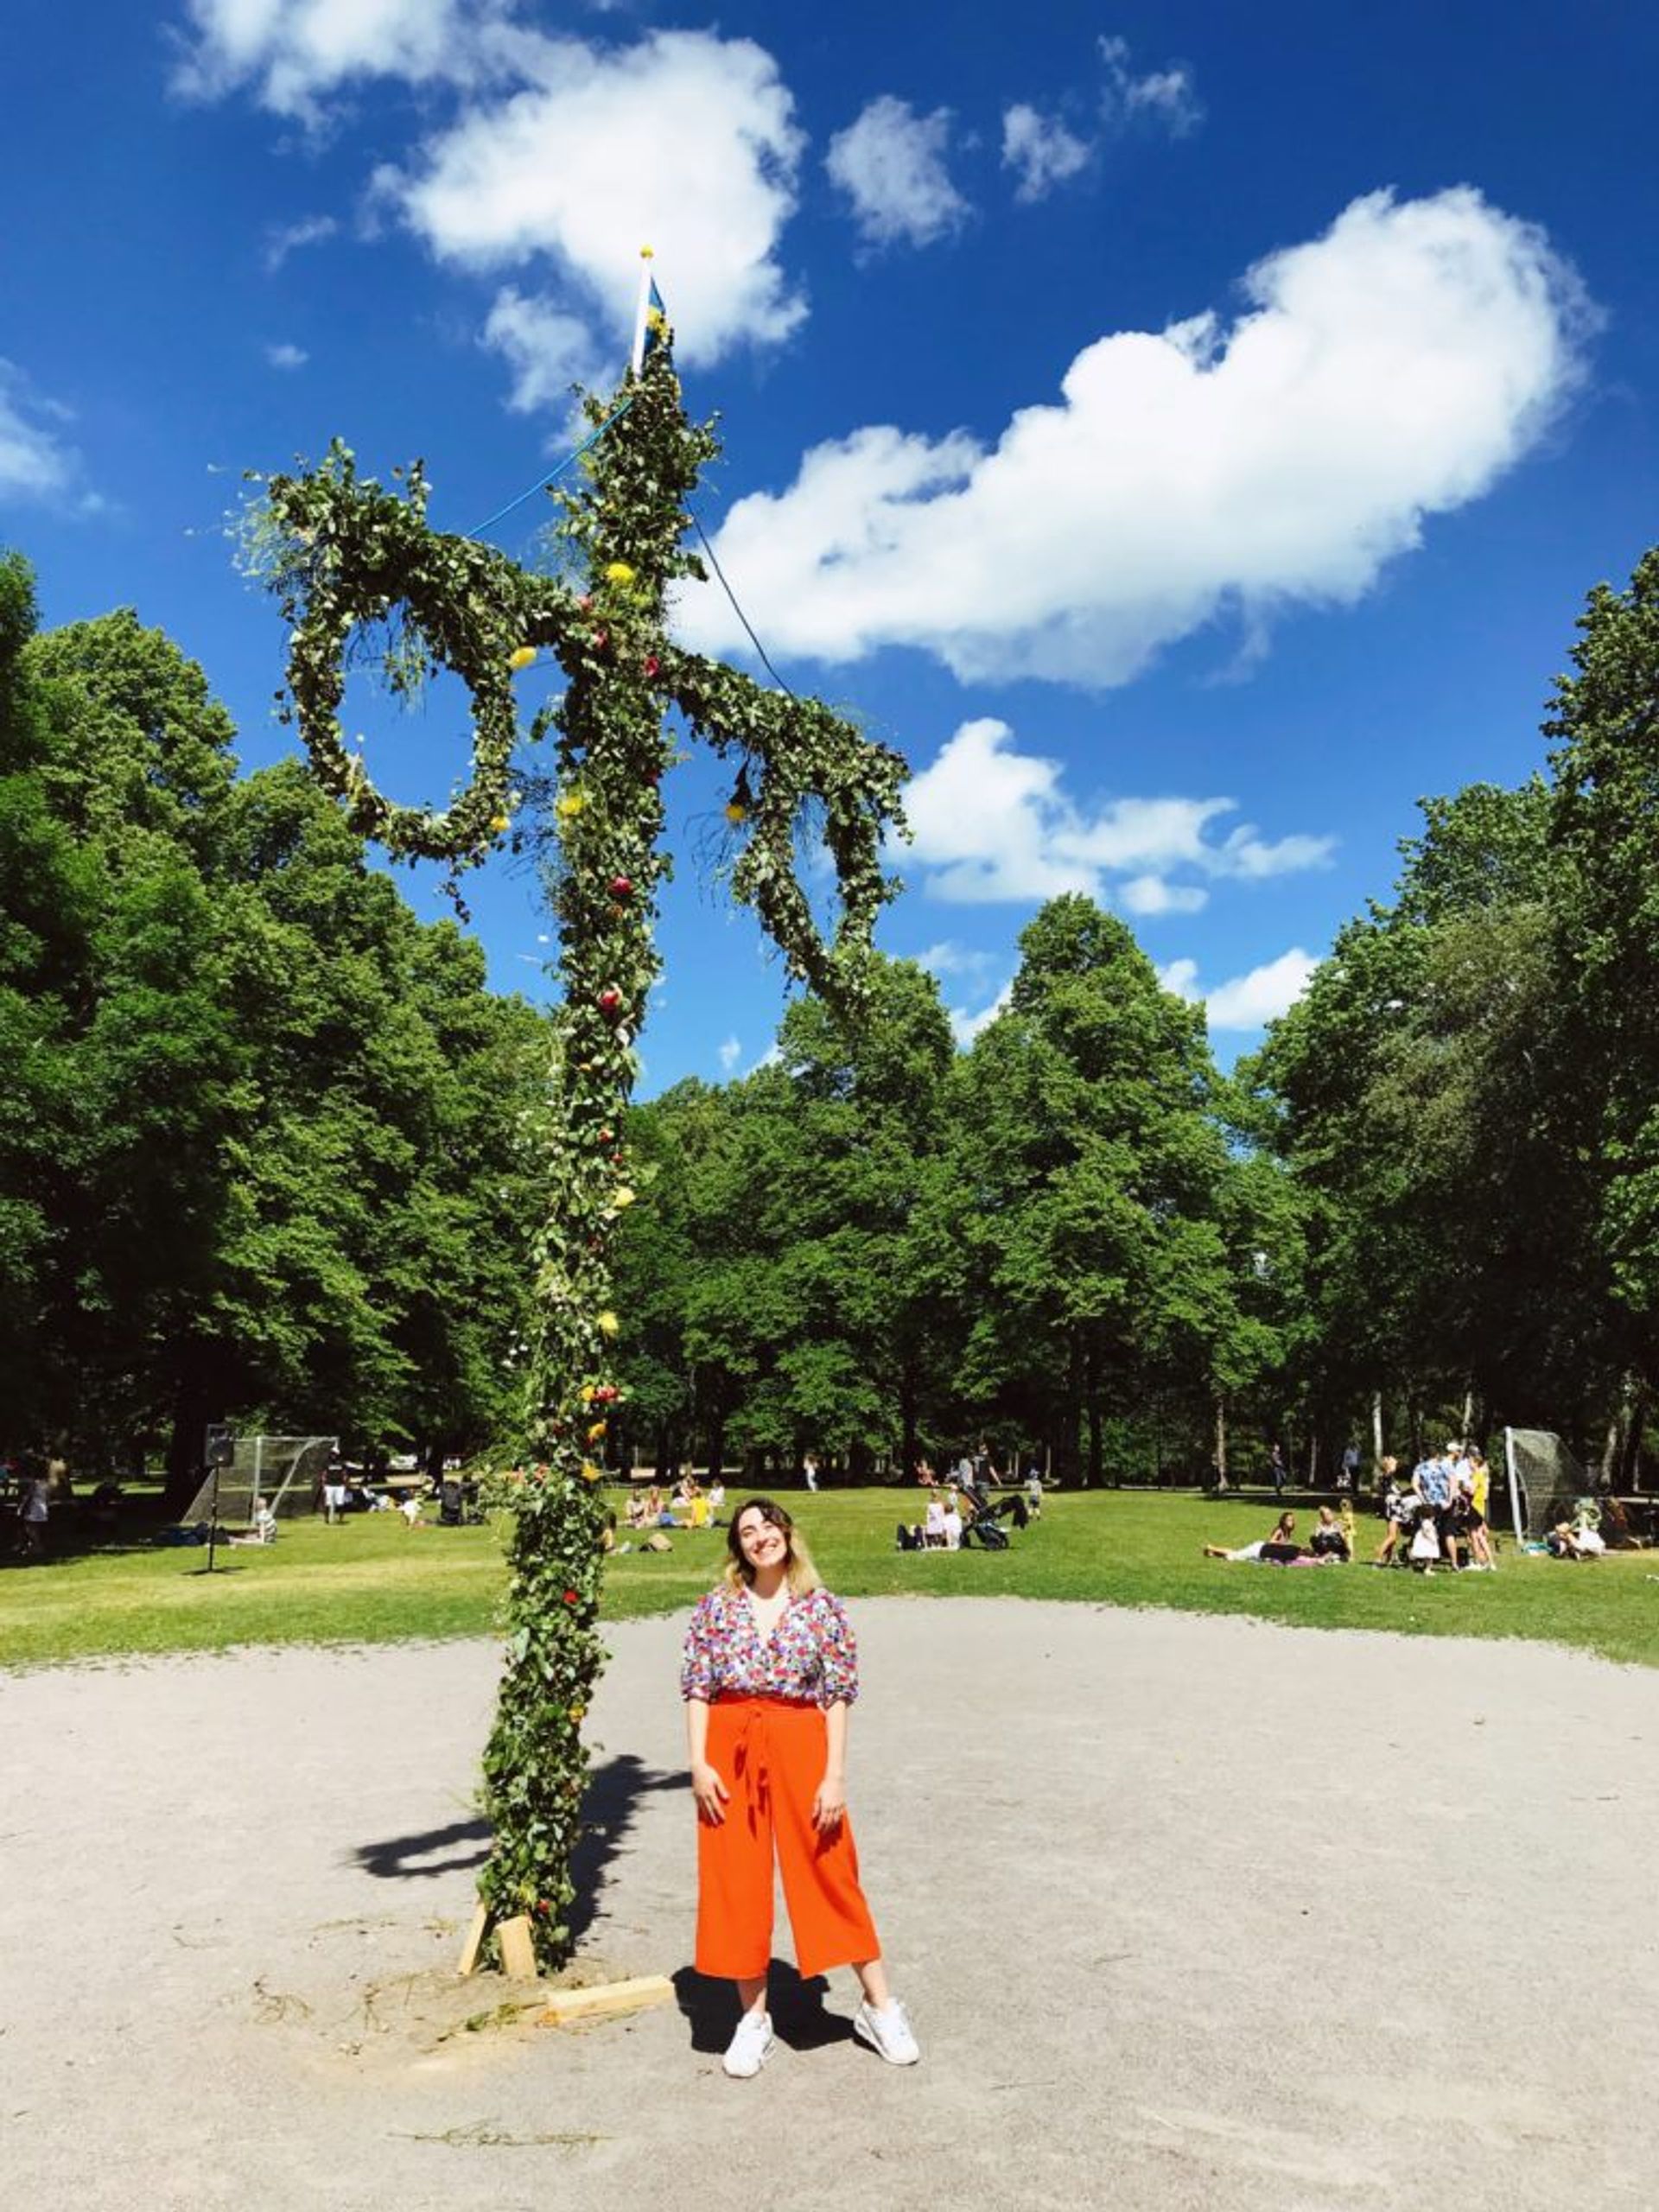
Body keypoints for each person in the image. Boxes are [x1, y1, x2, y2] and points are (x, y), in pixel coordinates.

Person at [681, 1497, 918, 2076]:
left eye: (769, 1526)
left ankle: (878, 2006)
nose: (761, 1537)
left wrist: (834, 1774)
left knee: (830, 1867)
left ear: (787, 1533)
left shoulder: (822, 1609)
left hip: (801, 1740)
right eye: (748, 1531)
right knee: (736, 1877)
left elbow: (837, 1694)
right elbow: (697, 1687)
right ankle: (754, 2019)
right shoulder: (717, 1608)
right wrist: (698, 1764)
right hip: (730, 1747)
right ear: (738, 1548)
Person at [1204, 1511, 1299, 1563]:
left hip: (1261, 1553)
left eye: (1292, 1520)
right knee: (1236, 1554)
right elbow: (1270, 1541)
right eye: (1289, 1520)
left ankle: (1214, 1554)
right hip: (1258, 1549)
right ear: (1284, 1521)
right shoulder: (1280, 1530)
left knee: (1239, 1557)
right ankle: (1211, 1547)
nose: (1292, 1522)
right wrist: (1284, 1544)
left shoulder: (1288, 1532)